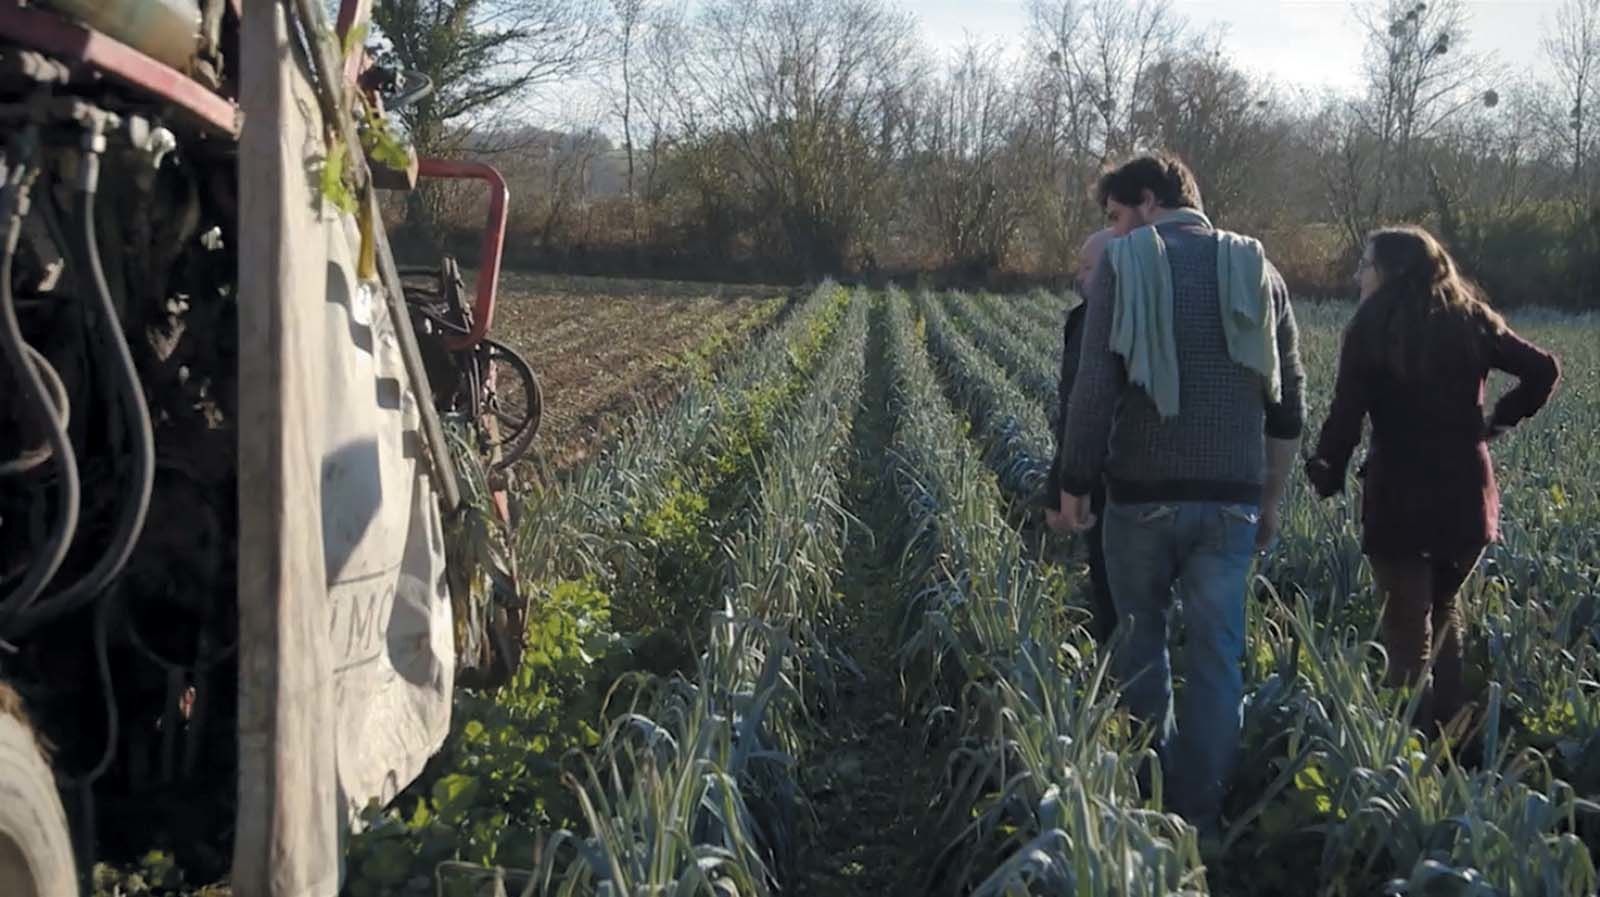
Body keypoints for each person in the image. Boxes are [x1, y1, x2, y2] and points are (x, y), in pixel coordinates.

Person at [1054, 152, 1306, 835]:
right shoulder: (1261, 269)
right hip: (1231, 500)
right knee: (1217, 656)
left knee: (1140, 647)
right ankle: (1202, 814)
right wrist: (1271, 497)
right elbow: (1287, 407)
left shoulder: (1124, 265)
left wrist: (1076, 481)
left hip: (1139, 498)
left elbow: (1095, 388)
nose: (1114, 229)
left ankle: (1148, 800)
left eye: (1114, 215)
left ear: (1146, 201)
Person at [1304, 226, 1560, 735]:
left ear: (1391, 272)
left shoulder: (1370, 327)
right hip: (1467, 497)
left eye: (1366, 265)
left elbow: (1346, 415)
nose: (1359, 275)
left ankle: (1410, 754)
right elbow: (1542, 370)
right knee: (1443, 614)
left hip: (1400, 497)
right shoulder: (1473, 320)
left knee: (1406, 633)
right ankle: (1453, 745)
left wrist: (1327, 470)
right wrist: (1500, 420)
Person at [1045, 226, 1119, 641]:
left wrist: (1064, 487)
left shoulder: (1094, 321)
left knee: (1112, 594)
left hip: (1111, 485)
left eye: (1088, 267)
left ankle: (1122, 690)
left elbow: (1081, 408)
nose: (1079, 276)